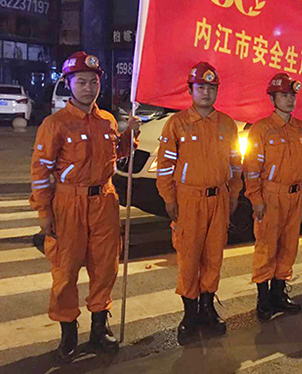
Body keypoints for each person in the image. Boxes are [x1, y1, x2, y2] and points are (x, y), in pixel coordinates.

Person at [30, 51, 140, 362]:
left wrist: (130, 135)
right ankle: (67, 332)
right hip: (69, 202)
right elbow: (40, 171)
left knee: (105, 266)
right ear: (69, 83)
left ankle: (99, 328)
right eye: (81, 82)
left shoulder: (106, 120)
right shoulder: (55, 124)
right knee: (65, 270)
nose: (89, 88)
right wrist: (44, 213)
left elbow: (117, 152)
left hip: (104, 200)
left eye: (93, 82)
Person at [156, 62, 242, 341]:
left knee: (214, 256)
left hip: (218, 199)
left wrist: (234, 194)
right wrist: (169, 198)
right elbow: (165, 166)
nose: (206, 92)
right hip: (188, 200)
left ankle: (207, 307)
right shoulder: (177, 124)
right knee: (189, 257)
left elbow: (235, 164)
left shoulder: (227, 124)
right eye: (201, 87)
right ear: (190, 90)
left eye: (211, 87)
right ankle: (189, 313)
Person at [243, 73, 302, 321]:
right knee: (267, 246)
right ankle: (264, 299)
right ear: (272, 99)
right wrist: (256, 199)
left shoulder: (301, 128)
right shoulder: (261, 129)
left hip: (295, 196)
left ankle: (279, 293)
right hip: (271, 196)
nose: (289, 100)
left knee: (288, 246)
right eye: (284, 95)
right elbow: (251, 168)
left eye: (292, 95)